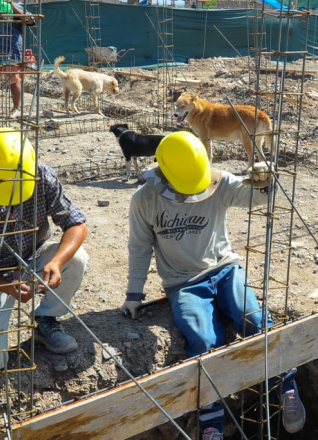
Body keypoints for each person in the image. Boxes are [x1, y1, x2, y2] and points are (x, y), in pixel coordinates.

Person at [120, 132, 306, 440]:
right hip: (184, 284)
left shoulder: (218, 183)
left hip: (226, 270)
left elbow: (258, 199)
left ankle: (286, 386)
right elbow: (139, 248)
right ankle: (212, 421)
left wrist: (265, 181)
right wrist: (134, 294)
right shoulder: (145, 199)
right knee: (204, 341)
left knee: (255, 321)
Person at [0, 128, 89, 374]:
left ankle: (45, 320)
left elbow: (76, 223)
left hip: (33, 255)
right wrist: (5, 285)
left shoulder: (42, 176)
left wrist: (56, 262)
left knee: (76, 257)